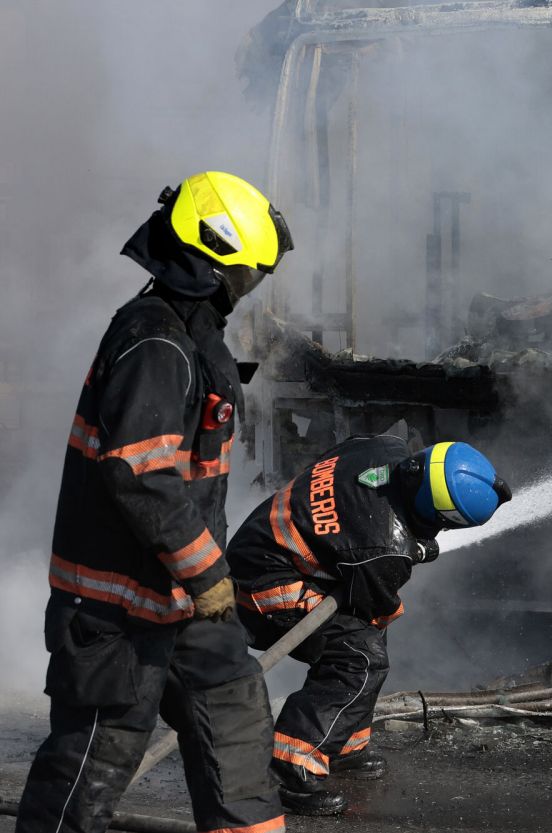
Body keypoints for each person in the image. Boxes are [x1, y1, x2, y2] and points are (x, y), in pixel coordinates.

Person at [17, 172, 294, 833]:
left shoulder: (189, 335)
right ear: (212, 263)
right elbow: (139, 470)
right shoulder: (155, 341)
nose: (249, 288)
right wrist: (206, 571)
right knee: (89, 767)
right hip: (117, 609)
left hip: (185, 601)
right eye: (248, 274)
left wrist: (201, 580)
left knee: (236, 727)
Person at [226, 435, 510, 816]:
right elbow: (379, 608)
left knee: (365, 641)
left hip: (262, 543)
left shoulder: (386, 448)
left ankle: (342, 743)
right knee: (360, 657)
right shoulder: (383, 548)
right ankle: (289, 767)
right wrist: (408, 550)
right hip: (262, 583)